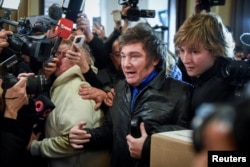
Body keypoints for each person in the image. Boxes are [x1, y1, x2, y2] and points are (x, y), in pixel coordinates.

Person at [68, 22, 193, 167]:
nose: (126, 64)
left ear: (155, 59)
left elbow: (186, 149)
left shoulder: (181, 93)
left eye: (134, 56)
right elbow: (111, 131)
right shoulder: (120, 87)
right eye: (123, 56)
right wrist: (86, 136)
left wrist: (148, 148)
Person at [28, 39, 110, 167]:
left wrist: (36, 147)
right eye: (56, 53)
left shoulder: (76, 89)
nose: (56, 58)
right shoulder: (62, 85)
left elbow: (75, 141)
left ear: (80, 58)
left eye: (64, 54)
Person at [174, 13, 246, 115]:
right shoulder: (193, 76)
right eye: (182, 50)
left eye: (195, 52)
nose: (185, 59)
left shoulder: (220, 87)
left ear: (216, 49)